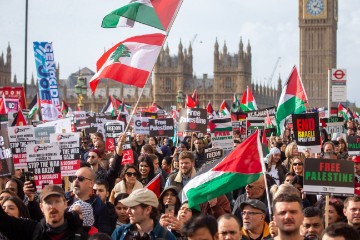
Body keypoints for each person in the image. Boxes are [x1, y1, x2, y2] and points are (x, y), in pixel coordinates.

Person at [0, 184, 88, 240]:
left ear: (65, 204)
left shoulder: (81, 234)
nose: (53, 206)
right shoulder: (31, 230)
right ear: (41, 207)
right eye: (48, 202)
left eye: (57, 201)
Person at [111, 188, 176, 240]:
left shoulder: (167, 237)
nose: (128, 211)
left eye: (132, 208)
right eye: (128, 207)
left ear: (148, 210)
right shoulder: (120, 232)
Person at [68, 166, 115, 234]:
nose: (76, 181)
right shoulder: (64, 199)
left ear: (91, 184)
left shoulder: (99, 206)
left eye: (81, 178)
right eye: (74, 177)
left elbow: (104, 233)